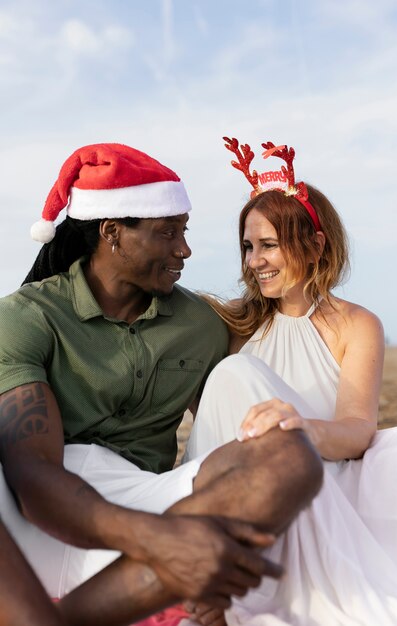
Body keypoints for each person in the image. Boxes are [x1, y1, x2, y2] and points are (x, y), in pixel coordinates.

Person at [0, 142, 323, 625]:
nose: (185, 248)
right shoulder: (28, 316)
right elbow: (33, 479)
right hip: (33, 522)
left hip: (149, 504)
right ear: (112, 233)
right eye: (168, 232)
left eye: (184, 232)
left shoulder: (200, 323)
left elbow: (234, 407)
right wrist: (160, 540)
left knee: (291, 458)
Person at [184, 138, 397, 625]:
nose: (254, 261)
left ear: (315, 243)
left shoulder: (357, 325)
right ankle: (206, 562)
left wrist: (303, 429)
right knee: (234, 372)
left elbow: (357, 429)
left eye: (268, 245)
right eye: (248, 247)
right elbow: (208, 407)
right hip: (230, 478)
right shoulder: (236, 325)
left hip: (314, 478)